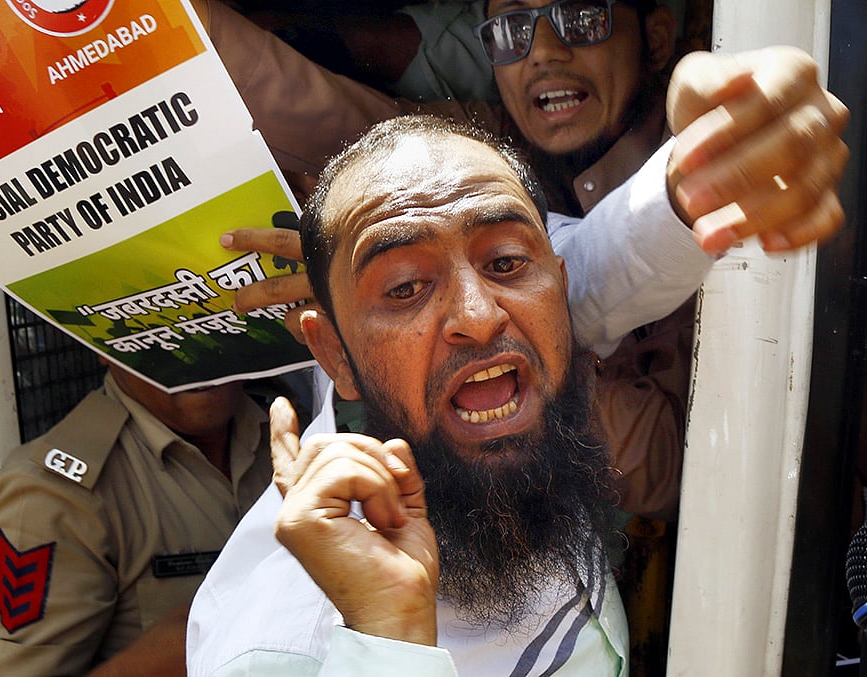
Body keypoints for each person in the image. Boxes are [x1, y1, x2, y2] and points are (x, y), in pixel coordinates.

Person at [199, 0, 849, 520]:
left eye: (582, 18)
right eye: (510, 29)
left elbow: (663, 463)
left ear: (654, 38)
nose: (543, 51)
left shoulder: (719, 157)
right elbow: (315, 113)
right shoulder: (482, 145)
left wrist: (421, 346)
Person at [187, 114, 647, 675]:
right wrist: (393, 640)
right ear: (335, 356)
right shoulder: (283, 650)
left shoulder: (531, 447)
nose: (478, 317)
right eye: (405, 288)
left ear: (560, 286)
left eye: (506, 262)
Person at [0, 361, 301, 675]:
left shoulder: (296, 428)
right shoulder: (52, 497)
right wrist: (148, 666)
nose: (189, 348)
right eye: (161, 322)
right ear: (103, 346)